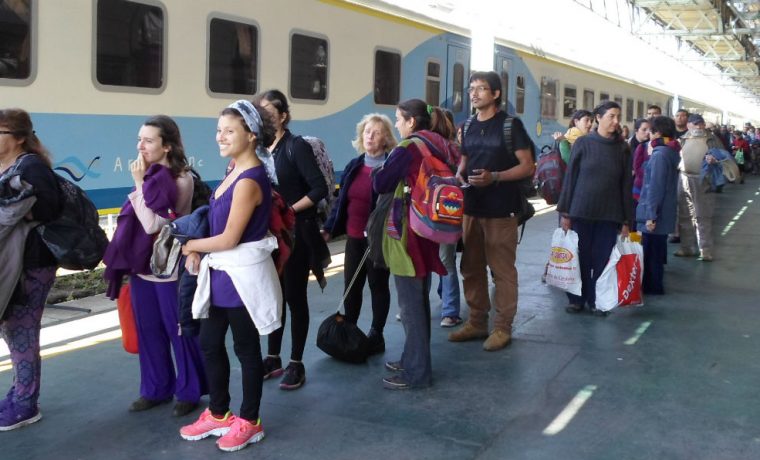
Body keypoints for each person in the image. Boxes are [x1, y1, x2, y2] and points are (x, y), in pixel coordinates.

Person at [179, 100, 280, 452]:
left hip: (241, 279)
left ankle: (250, 421)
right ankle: (219, 413)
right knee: (209, 343)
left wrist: (190, 245)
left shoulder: (250, 180)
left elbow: (228, 238)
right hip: (222, 273)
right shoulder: (234, 170)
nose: (220, 136)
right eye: (219, 130)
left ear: (251, 136)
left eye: (229, 131)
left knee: (246, 350)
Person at [102, 115, 206, 417]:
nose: (140, 146)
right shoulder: (152, 174)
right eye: (139, 139)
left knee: (179, 330)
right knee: (148, 330)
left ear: (167, 147)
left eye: (148, 141)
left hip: (168, 267)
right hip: (142, 268)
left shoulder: (181, 179)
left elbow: (152, 225)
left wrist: (137, 183)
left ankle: (189, 390)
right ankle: (156, 388)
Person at [372, 99, 459, 389]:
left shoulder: (409, 146)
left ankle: (417, 373)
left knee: (410, 306)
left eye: (398, 119)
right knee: (418, 300)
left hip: (407, 233)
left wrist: (378, 169)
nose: (396, 124)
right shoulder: (439, 143)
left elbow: (382, 182)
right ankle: (412, 358)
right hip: (427, 229)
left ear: (411, 121)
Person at [448, 70, 535, 350]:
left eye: (481, 89)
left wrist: (494, 177)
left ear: (496, 94)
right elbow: (465, 158)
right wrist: (460, 174)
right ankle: (476, 321)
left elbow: (527, 165)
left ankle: (502, 327)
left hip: (501, 210)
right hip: (471, 208)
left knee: (501, 270)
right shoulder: (467, 126)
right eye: (472, 88)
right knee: (471, 267)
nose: (474, 93)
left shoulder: (510, 126)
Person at [254, 89, 330, 390]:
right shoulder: (258, 150)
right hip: (268, 236)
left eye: (270, 112)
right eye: (260, 113)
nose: (265, 118)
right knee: (273, 297)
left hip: (296, 233)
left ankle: (296, 362)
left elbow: (318, 188)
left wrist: (287, 210)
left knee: (295, 297)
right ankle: (273, 357)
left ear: (284, 115)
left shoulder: (295, 147)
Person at [0, 108, 62, 431]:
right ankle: (18, 392)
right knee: (12, 329)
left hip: (33, 263)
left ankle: (26, 403)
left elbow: (50, 208)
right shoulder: (7, 166)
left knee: (23, 330)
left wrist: (19, 214)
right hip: (13, 262)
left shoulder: (33, 167)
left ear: (20, 138)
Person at [321, 113, 396, 352]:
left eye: (376, 132)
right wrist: (329, 229)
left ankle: (377, 334)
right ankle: (350, 331)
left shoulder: (390, 169)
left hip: (378, 240)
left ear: (386, 139)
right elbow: (341, 201)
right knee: (351, 286)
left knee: (378, 285)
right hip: (354, 238)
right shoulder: (355, 166)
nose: (370, 136)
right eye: (366, 132)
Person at [556, 100, 633, 316]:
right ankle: (576, 299)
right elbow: (571, 178)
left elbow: (625, 185)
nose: (616, 121)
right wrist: (565, 212)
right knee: (580, 257)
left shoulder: (622, 148)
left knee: (602, 259)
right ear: (598, 118)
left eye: (618, 117)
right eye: (611, 116)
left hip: (610, 214)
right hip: (581, 211)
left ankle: (596, 299)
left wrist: (626, 220)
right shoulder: (583, 143)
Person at [636, 116, 680, 295]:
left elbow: (655, 187)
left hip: (655, 216)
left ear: (658, 133)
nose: (648, 134)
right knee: (656, 252)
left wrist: (651, 215)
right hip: (664, 212)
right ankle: (654, 285)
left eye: (650, 131)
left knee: (651, 254)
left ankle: (652, 287)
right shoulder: (670, 151)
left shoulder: (659, 155)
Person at [674, 113, 723, 261]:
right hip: (683, 178)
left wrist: (716, 159)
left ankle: (705, 249)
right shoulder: (682, 139)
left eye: (701, 123)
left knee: (703, 216)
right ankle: (687, 247)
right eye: (695, 124)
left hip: (703, 180)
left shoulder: (712, 139)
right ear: (689, 125)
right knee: (684, 215)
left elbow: (725, 157)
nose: (699, 126)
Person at [437, 108, 463, 327]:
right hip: (447, 210)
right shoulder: (455, 149)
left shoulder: (452, 150)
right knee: (444, 261)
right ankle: (449, 310)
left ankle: (450, 309)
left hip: (445, 211)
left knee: (443, 261)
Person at [631, 118, 652, 206]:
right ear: (636, 130)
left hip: (644, 186)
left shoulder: (651, 146)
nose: (647, 132)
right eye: (644, 129)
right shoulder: (627, 145)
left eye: (649, 130)